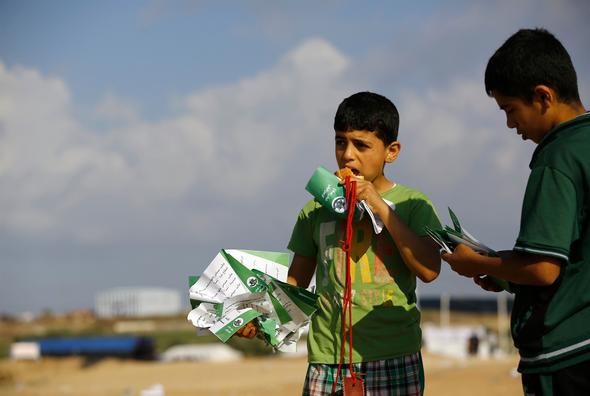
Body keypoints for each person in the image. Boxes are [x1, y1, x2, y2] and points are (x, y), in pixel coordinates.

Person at [441, 28, 589, 395]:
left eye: (510, 109)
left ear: (543, 96)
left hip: (564, 356)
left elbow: (542, 269)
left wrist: (476, 264)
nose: (510, 124)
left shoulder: (557, 158)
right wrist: (505, 271)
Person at [287, 91, 442, 395]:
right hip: (327, 359)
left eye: (361, 145)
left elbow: (429, 269)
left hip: (394, 355)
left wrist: (379, 205)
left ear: (391, 151)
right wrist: (261, 318)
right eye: (340, 142)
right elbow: (296, 283)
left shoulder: (413, 204)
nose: (347, 155)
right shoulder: (315, 210)